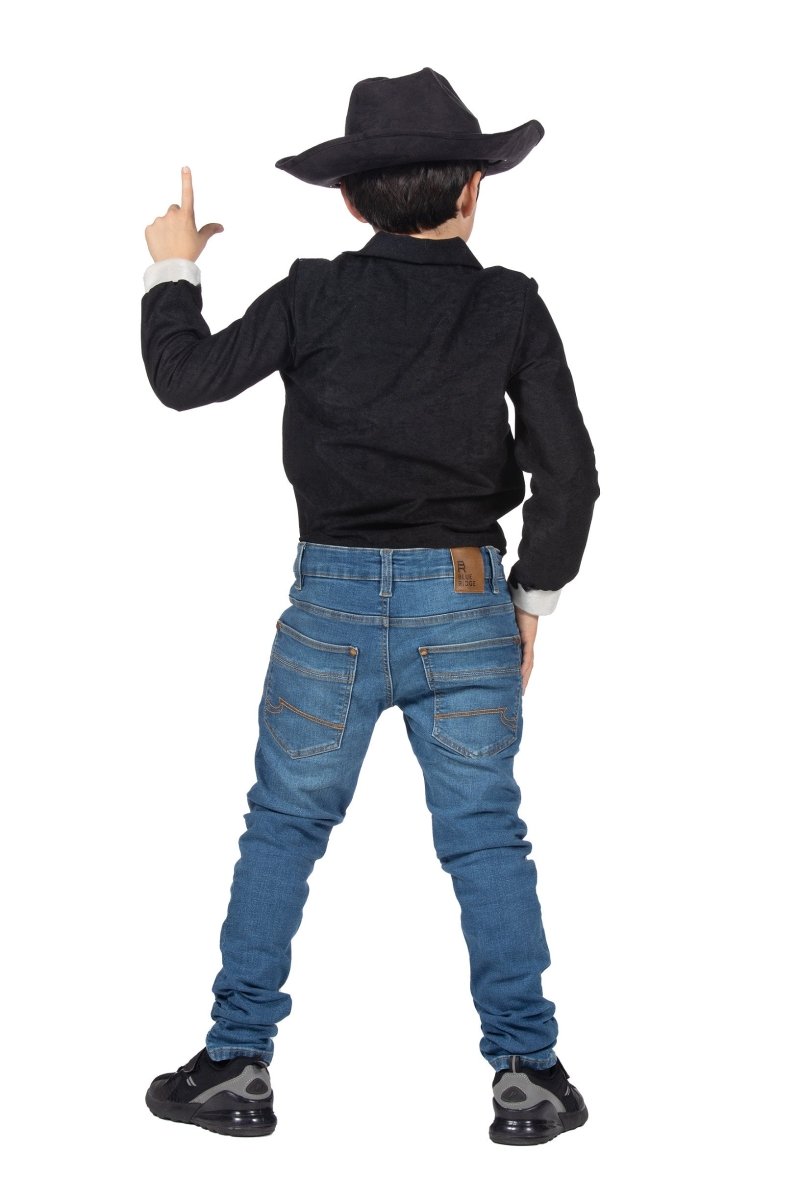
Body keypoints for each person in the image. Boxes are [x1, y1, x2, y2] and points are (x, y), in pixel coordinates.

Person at [140, 67, 600, 1145]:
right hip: (465, 598)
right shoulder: (509, 304)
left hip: (331, 604)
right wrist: (531, 598)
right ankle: (528, 1072)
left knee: (284, 826)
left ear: (347, 200)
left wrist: (173, 267)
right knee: (484, 836)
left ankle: (235, 1064)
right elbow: (569, 477)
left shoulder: (313, 294)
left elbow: (185, 378)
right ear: (474, 190)